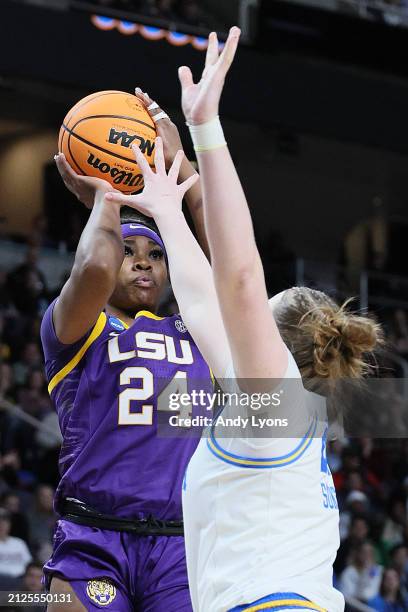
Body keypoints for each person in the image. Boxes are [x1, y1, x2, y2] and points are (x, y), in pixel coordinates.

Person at [107, 27, 383, 611]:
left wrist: (207, 130)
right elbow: (206, 298)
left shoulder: (277, 403)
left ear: (278, 342)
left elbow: (237, 279)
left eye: (263, 309)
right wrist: (166, 205)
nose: (248, 313)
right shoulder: (265, 408)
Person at [40, 110, 213, 611]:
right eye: (129, 251)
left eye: (155, 254)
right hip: (93, 540)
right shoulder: (79, 328)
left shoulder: (197, 330)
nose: (142, 261)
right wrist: (106, 196)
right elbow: (94, 264)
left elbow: (228, 258)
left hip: (182, 546)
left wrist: (181, 165)